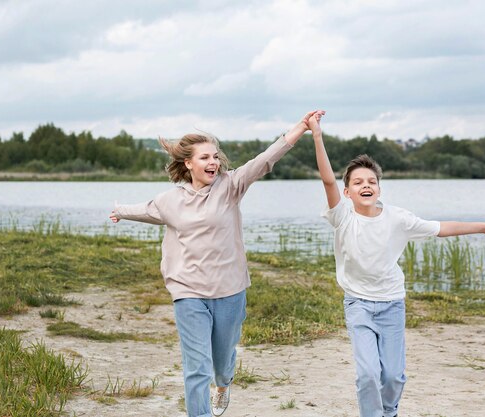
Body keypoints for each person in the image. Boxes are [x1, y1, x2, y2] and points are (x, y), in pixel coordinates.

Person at [109, 110, 325, 417]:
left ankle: (223, 385)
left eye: (216, 157)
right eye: (205, 158)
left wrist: (300, 128)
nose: (213, 163)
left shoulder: (231, 186)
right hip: (188, 292)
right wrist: (119, 211)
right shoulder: (169, 201)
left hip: (229, 289)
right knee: (196, 366)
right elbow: (144, 210)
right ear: (188, 164)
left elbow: (263, 161)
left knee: (222, 360)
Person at [308, 115, 485, 417]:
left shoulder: (398, 218)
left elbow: (441, 228)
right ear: (347, 192)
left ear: (379, 188)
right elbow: (327, 178)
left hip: (391, 304)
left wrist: (483, 227)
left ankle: (389, 412)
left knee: (392, 376)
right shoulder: (342, 216)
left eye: (372, 181)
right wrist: (316, 135)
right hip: (358, 305)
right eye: (358, 182)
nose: (366, 185)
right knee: (367, 374)